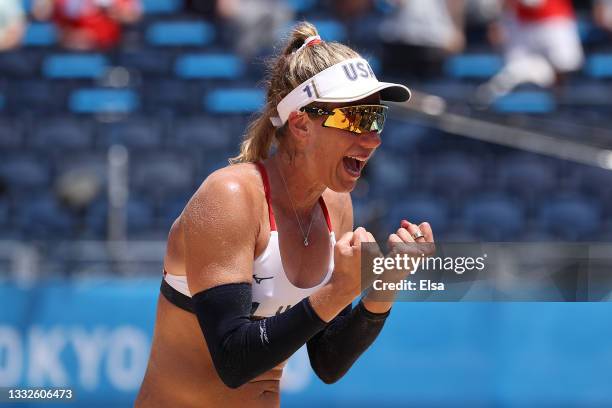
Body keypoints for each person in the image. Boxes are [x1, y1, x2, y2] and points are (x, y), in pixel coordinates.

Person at [135, 22, 434, 408]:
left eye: (376, 118)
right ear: (300, 124)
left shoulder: (335, 205)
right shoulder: (232, 196)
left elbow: (326, 361)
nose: (373, 138)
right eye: (355, 119)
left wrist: (382, 286)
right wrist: (340, 289)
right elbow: (233, 361)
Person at [33, 0, 141, 50]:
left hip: (109, 49)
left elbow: (132, 15)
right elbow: (41, 14)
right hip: (70, 50)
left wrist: (113, 11)